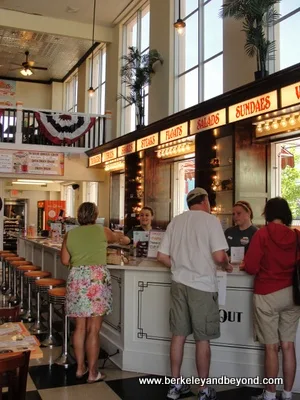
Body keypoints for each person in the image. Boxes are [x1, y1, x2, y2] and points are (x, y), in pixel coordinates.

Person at [157, 187, 233, 400]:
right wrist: (227, 265)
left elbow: (161, 256)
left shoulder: (177, 221)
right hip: (202, 285)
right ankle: (203, 389)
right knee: (202, 339)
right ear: (205, 201)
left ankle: (175, 386)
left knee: (178, 335)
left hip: (178, 284)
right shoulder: (210, 221)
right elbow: (219, 256)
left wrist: (180, 266)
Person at [244, 197, 300, 400]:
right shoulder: (296, 235)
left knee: (271, 347)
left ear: (267, 214)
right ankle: (287, 394)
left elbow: (250, 267)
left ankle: (269, 394)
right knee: (288, 345)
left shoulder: (262, 234)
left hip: (267, 294)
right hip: (292, 295)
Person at [60, 202, 118, 383]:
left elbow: (64, 260)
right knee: (94, 329)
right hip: (97, 279)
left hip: (77, 279)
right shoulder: (103, 231)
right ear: (96, 215)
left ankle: (80, 368)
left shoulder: (70, 234)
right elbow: (118, 239)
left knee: (80, 328)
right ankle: (93, 373)